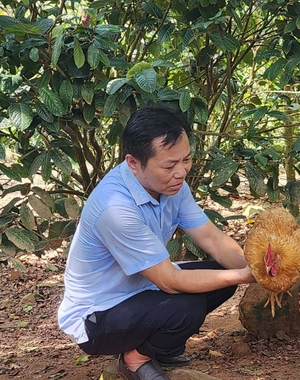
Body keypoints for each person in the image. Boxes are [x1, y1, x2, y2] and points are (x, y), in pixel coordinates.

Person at [57, 106, 256, 380]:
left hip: (140, 289)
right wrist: (247, 275)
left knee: (221, 276)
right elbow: (169, 281)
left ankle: (156, 345)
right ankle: (134, 360)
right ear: (133, 162)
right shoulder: (115, 208)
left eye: (186, 160)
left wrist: (256, 268)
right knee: (187, 307)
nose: (181, 172)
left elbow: (211, 238)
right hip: (97, 316)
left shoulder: (172, 186)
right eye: (169, 165)